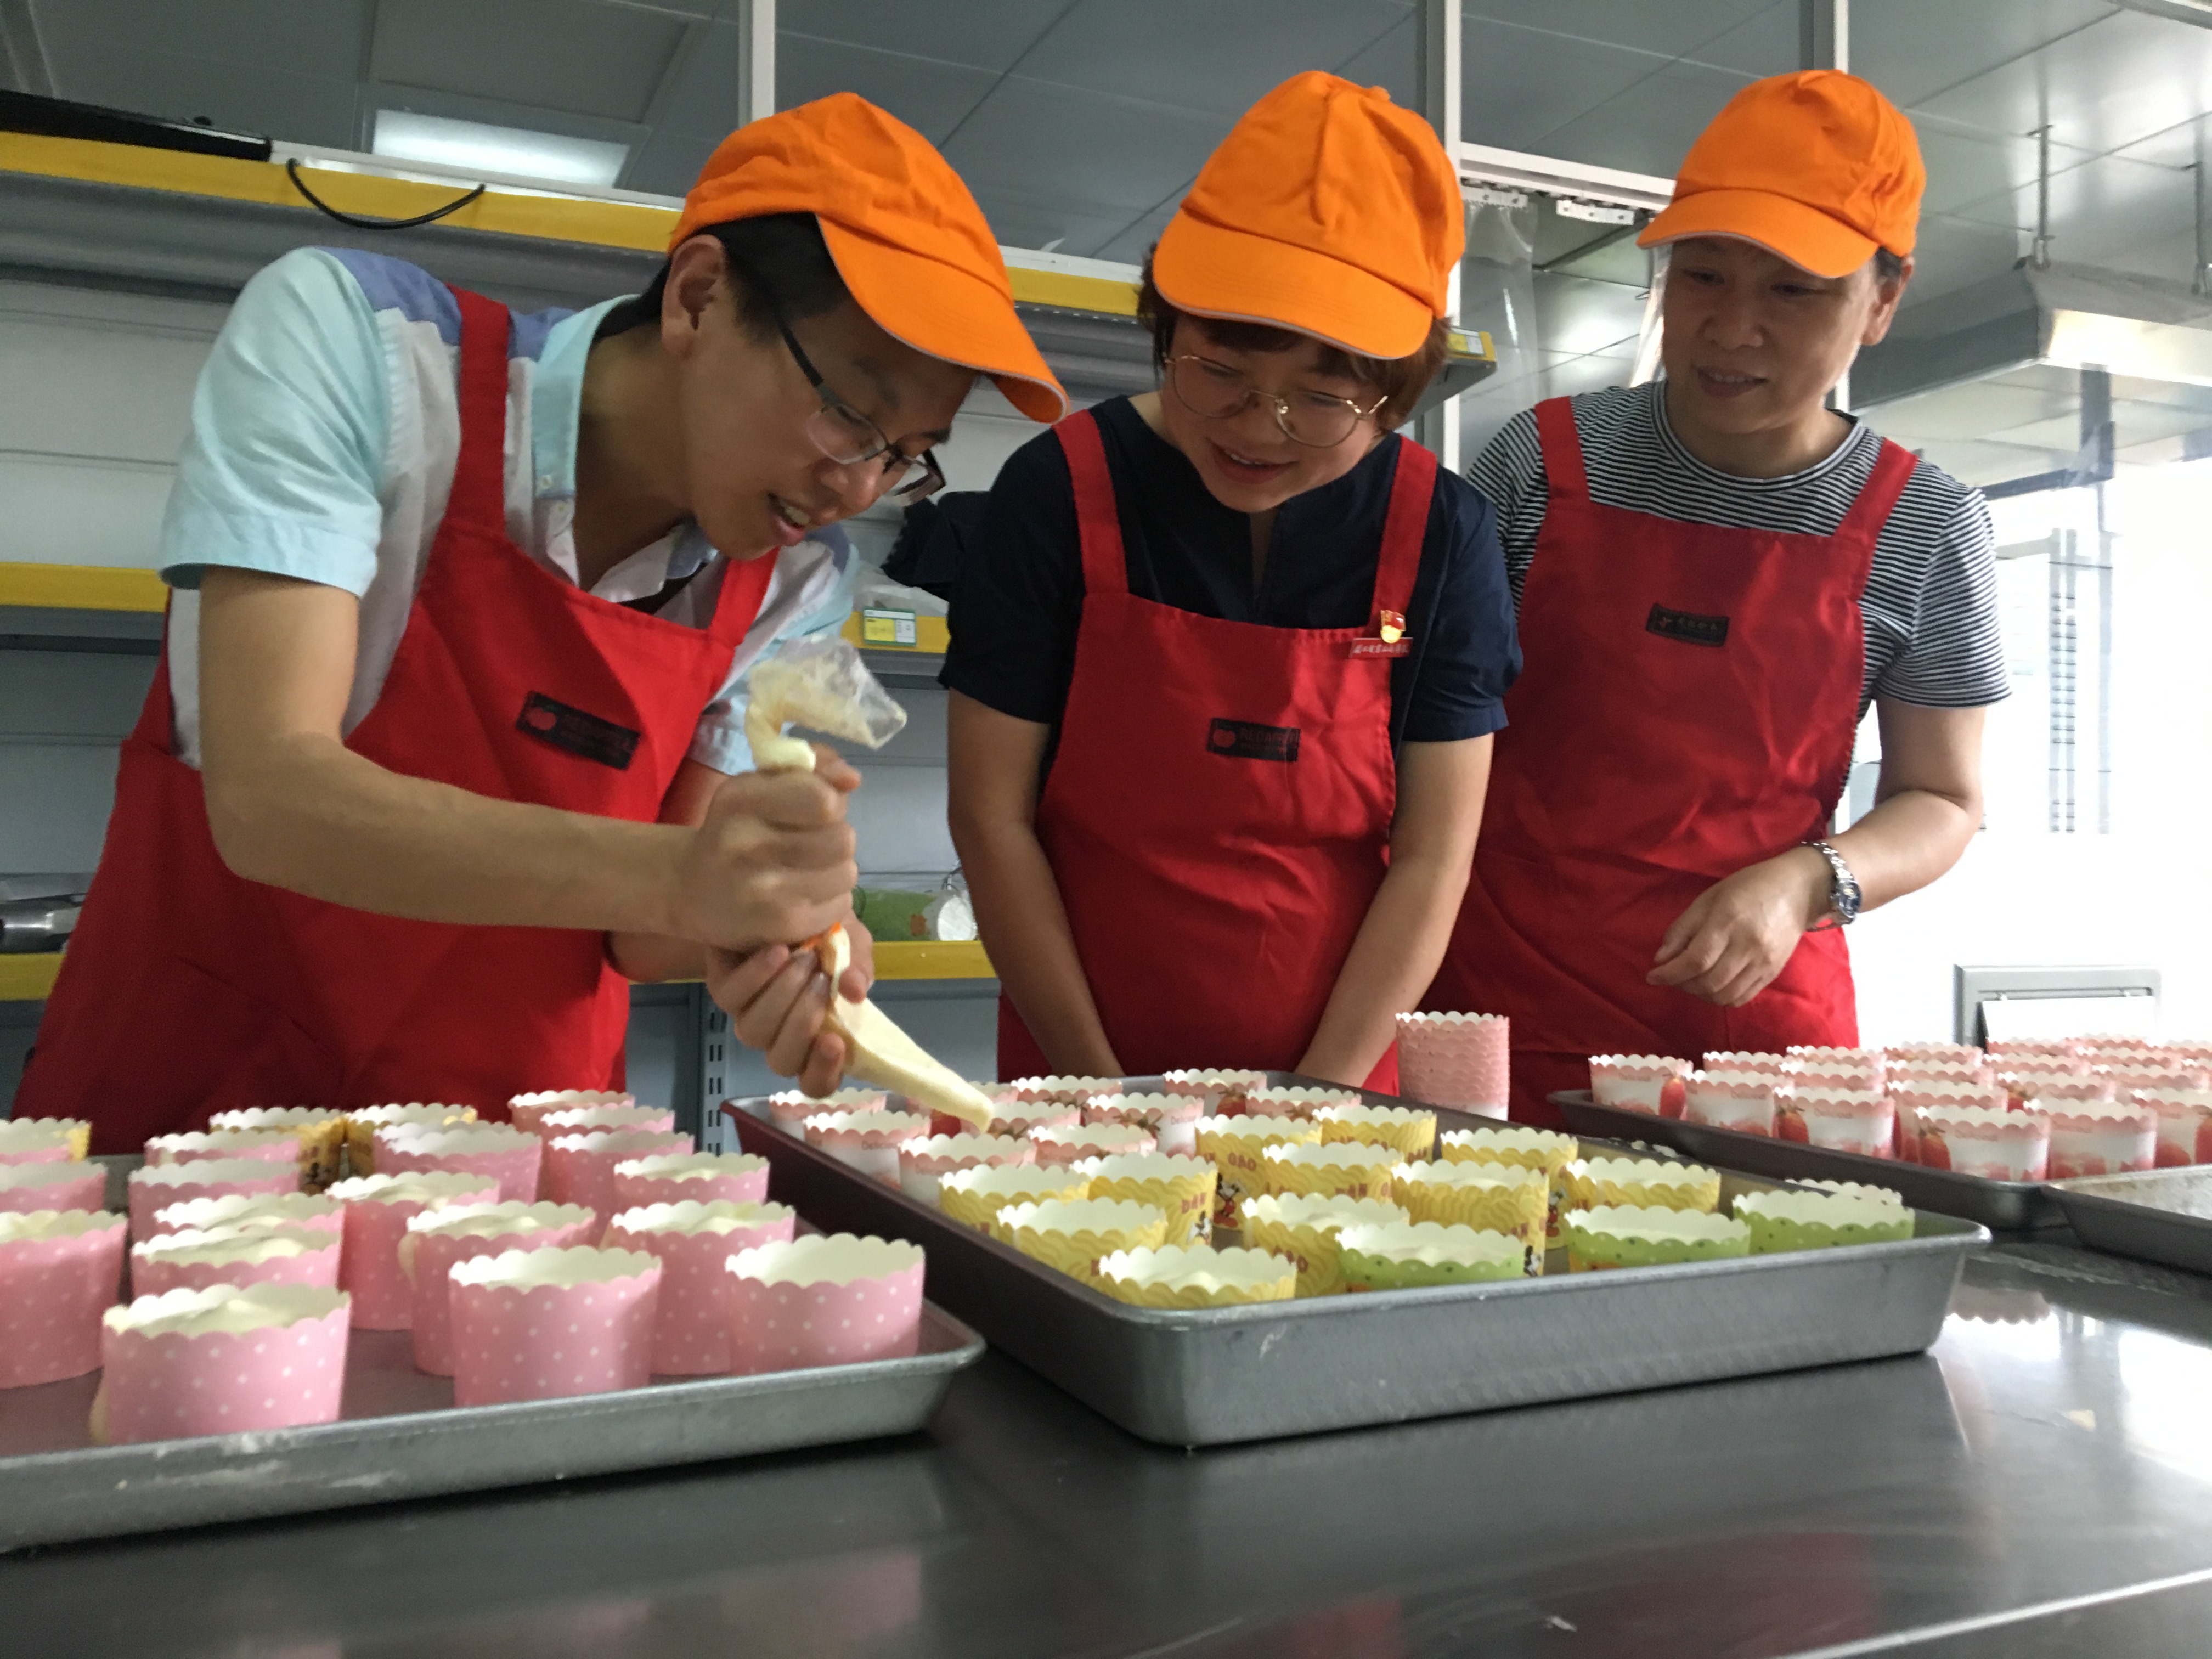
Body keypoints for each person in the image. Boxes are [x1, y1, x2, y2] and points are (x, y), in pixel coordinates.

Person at [19, 95, 1066, 1151]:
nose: (858, 488)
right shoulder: (369, 358)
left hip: (518, 1172)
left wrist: (771, 935)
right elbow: (271, 799)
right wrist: (687, 878)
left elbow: (641, 934)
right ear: (699, 298)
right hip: (201, 1140)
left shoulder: (796, 581)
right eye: (849, 414)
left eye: (906, 456)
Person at [1427, 71, 2006, 1124]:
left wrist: (1807, 882)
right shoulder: (1541, 461)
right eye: (1702, 275)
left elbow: (1944, 800)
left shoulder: (1926, 524)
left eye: (1794, 291)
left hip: (1756, 1044)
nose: (1732, 328)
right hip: (1501, 1010)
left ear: (1883, 301)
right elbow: (1422, 734)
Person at [945, 72, 1519, 1092]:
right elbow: (992, 819)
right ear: (1167, 327)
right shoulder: (1060, 491)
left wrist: (1317, 1099)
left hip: (1339, 1087)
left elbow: (1435, 857)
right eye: (1217, 373)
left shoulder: (1444, 536)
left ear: (1395, 398)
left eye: (1321, 399)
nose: (1258, 430)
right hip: (1075, 1076)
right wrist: (1100, 1094)